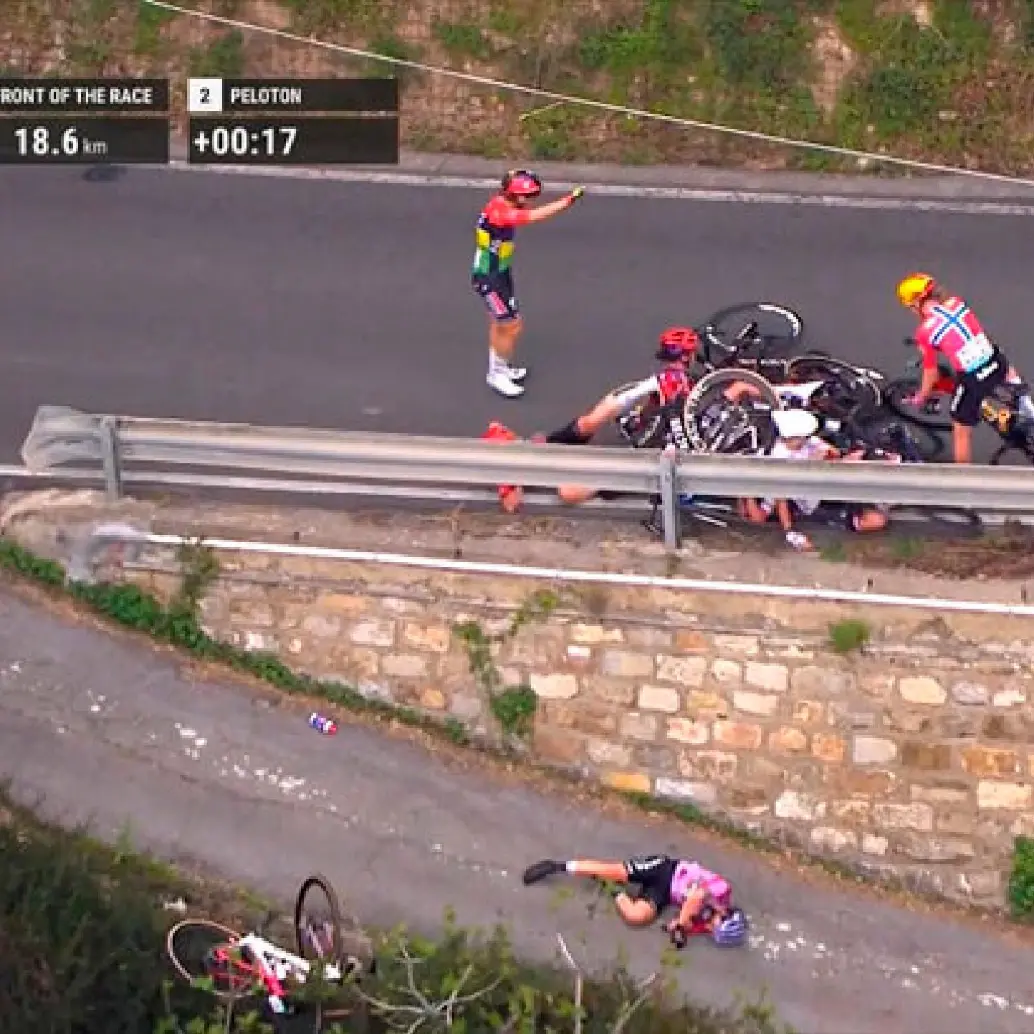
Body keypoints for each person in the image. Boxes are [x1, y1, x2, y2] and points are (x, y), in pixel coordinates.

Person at [482, 327, 701, 509]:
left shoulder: (664, 381)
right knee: (569, 492)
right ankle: (527, 457)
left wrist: (596, 419)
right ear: (687, 357)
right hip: (649, 456)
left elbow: (616, 403)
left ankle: (529, 453)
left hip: (651, 457)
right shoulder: (688, 384)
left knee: (569, 488)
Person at [472, 170, 585, 398]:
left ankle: (500, 368)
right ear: (511, 194)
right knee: (512, 326)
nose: (528, 200)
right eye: (524, 196)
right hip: (489, 277)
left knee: (500, 323)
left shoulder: (502, 203)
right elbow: (533, 217)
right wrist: (567, 201)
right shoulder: (500, 212)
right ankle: (496, 375)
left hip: (500, 273)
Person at [897, 273, 1028, 464]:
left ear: (917, 302)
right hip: (996, 361)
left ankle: (963, 478)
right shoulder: (956, 302)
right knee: (1006, 370)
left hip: (974, 377)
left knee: (960, 429)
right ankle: (1026, 404)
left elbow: (931, 372)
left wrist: (922, 396)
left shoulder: (924, 332)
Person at [738, 409, 893, 551]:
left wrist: (827, 454)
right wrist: (791, 533)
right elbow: (778, 501)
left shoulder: (808, 442)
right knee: (875, 521)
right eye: (805, 436)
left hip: (833, 481)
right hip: (817, 502)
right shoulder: (779, 460)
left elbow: (835, 453)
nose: (808, 438)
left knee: (860, 459)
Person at [522, 854, 747, 947]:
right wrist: (681, 922)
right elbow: (696, 898)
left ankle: (611, 888)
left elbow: (682, 924)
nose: (708, 926)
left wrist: (677, 929)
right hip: (665, 870)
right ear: (725, 913)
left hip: (665, 893)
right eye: (713, 925)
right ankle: (558, 867)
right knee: (615, 871)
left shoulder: (706, 923)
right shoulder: (721, 891)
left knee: (636, 916)